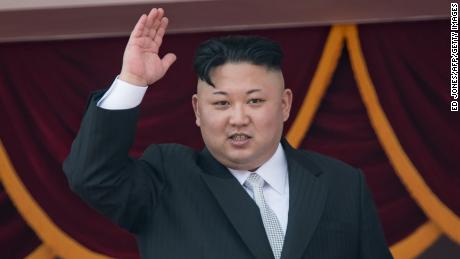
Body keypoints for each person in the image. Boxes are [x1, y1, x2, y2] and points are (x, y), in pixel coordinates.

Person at [63, 8, 393, 259]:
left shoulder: (343, 184)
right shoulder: (168, 178)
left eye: (254, 101)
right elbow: (91, 175)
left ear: (285, 104)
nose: (238, 118)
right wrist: (132, 79)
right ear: (196, 110)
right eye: (221, 103)